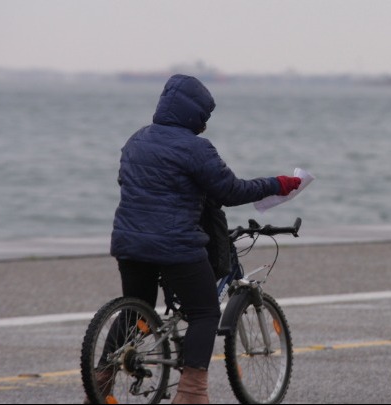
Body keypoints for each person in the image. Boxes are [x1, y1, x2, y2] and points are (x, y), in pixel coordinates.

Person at [105, 74, 301, 404]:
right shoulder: (196, 147)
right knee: (205, 313)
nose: (205, 125)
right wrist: (277, 184)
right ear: (195, 114)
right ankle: (192, 395)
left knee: (134, 312)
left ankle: (98, 384)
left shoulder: (136, 140)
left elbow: (126, 181)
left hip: (129, 243)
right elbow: (231, 190)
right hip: (175, 244)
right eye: (205, 117)